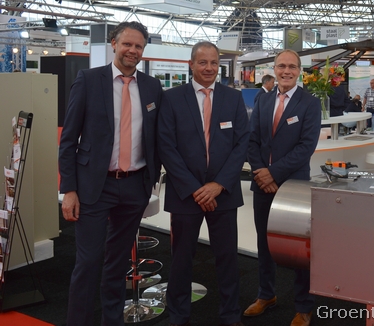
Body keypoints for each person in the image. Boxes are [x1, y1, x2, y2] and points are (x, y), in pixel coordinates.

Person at [59, 21, 163, 326]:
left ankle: (112, 320)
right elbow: (69, 140)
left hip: (134, 187)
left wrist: (152, 181)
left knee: (118, 264)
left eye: (138, 46)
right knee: (88, 262)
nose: (133, 50)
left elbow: (157, 137)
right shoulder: (89, 80)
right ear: (114, 43)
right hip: (95, 186)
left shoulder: (152, 87)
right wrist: (69, 189)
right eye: (127, 44)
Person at [158, 41, 249, 326]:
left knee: (227, 258)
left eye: (213, 63)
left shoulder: (233, 98)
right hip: (186, 194)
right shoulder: (172, 98)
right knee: (182, 259)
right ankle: (178, 315)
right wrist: (195, 188)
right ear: (191, 64)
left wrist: (218, 184)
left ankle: (230, 314)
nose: (209, 68)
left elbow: (241, 144)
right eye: (203, 62)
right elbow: (166, 146)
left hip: (224, 193)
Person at [244, 49, 321, 326]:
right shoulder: (263, 99)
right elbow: (252, 140)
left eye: (291, 67)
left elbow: (306, 147)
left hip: (294, 185)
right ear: (274, 69)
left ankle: (304, 306)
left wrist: (272, 173)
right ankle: (266, 295)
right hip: (262, 184)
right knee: (264, 243)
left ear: (299, 71)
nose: (286, 71)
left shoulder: (309, 103)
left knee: (299, 247)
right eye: (281, 66)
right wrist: (260, 173)